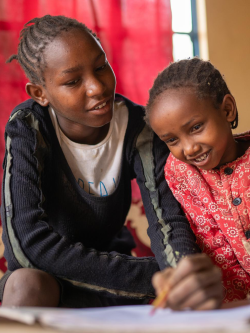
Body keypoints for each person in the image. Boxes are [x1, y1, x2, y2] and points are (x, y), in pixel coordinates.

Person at [0, 16, 222, 309]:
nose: (97, 87)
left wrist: (179, 275)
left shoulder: (138, 130)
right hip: (54, 280)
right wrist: (152, 275)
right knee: (25, 283)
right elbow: (26, 247)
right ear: (40, 93)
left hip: (117, 280)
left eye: (101, 66)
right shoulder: (29, 127)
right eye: (73, 81)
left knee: (182, 288)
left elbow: (167, 222)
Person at [147, 57, 250, 305]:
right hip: (229, 308)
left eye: (195, 127)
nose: (189, 148)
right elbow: (212, 247)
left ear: (227, 110)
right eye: (172, 140)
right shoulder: (181, 172)